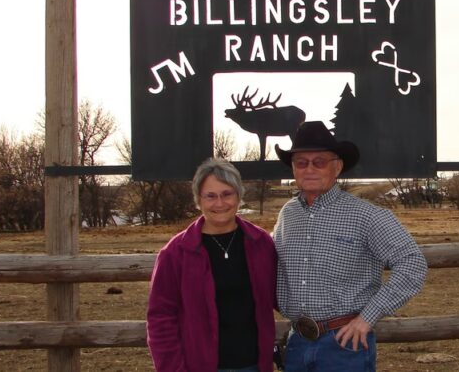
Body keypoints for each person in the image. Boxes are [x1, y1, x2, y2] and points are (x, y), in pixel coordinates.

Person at [272, 121, 427, 371]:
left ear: (338, 166)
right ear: (293, 168)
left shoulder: (367, 216)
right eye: (301, 162)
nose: (309, 168)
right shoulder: (287, 214)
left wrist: (367, 318)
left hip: (344, 344)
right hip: (298, 343)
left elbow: (413, 264)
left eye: (319, 161)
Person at [147, 158, 277, 372]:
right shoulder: (176, 252)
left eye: (227, 194)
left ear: (238, 196)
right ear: (199, 199)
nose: (219, 203)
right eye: (210, 196)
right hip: (199, 366)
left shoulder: (260, 243)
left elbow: (283, 295)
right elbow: (160, 318)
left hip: (254, 365)